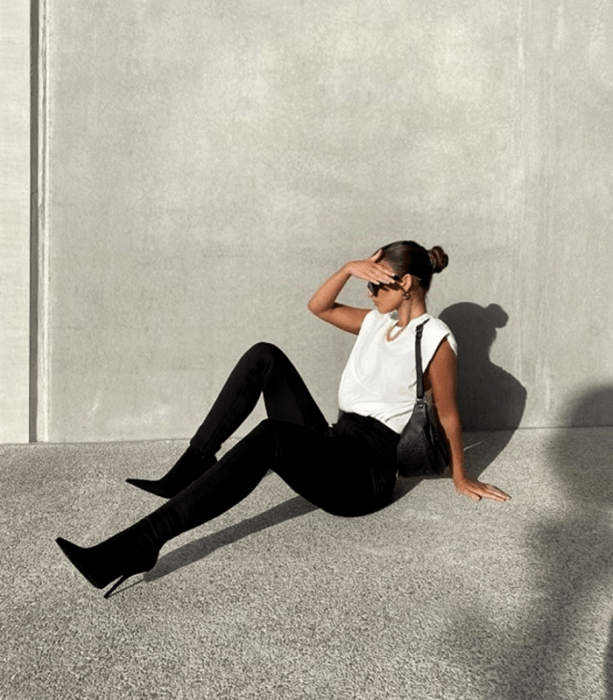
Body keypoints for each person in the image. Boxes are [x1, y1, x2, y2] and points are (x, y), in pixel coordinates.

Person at [56, 240, 510, 598]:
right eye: (367, 285)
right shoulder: (375, 321)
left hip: (364, 474)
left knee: (271, 437)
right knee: (265, 356)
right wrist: (349, 268)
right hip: (335, 440)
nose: (369, 293)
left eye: (377, 285)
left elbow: (449, 416)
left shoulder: (436, 339)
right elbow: (320, 306)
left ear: (406, 283)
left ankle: (141, 544)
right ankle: (190, 468)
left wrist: (461, 477)